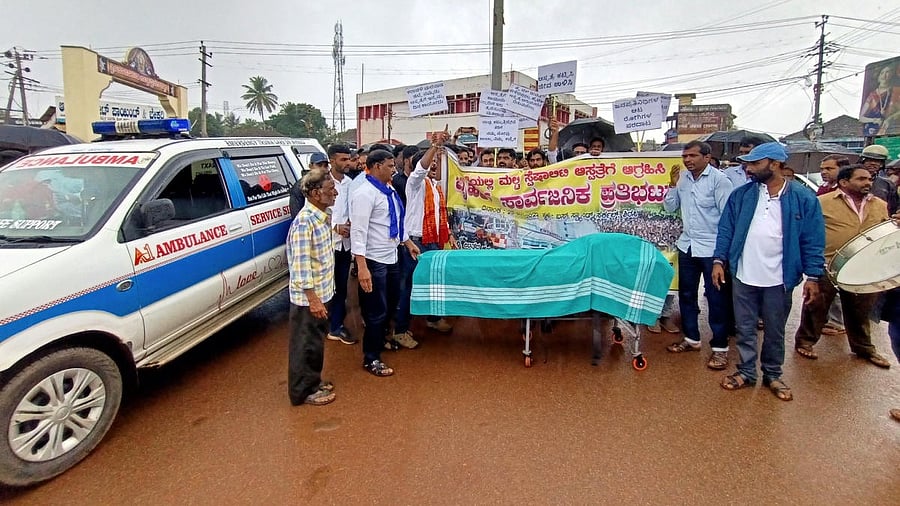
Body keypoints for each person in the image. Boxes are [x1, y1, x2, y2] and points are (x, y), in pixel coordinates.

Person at [712, 142, 825, 401]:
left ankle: (773, 374)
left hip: (779, 278)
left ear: (774, 164)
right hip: (743, 274)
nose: (748, 168)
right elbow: (726, 230)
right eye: (748, 163)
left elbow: (813, 239)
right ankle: (746, 371)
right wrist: (719, 260)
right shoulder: (742, 195)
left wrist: (813, 276)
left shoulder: (802, 197)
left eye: (755, 163)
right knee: (744, 326)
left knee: (774, 329)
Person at [793, 165, 892, 368]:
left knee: (861, 310)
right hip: (828, 264)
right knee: (817, 305)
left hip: (866, 267)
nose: (868, 183)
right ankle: (806, 341)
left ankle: (864, 348)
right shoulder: (823, 202)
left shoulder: (880, 204)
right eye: (861, 179)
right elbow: (808, 231)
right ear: (844, 182)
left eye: (869, 179)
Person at [663, 141, 734, 370]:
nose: (688, 160)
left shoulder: (720, 181)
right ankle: (692, 338)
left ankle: (720, 348)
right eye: (685, 156)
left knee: (717, 300)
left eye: (693, 155)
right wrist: (672, 185)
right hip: (688, 246)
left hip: (712, 250)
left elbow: (727, 218)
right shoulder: (683, 179)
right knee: (686, 295)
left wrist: (720, 257)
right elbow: (669, 207)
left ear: (707, 157)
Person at [350, 149, 421, 377]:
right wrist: (362, 267)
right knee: (375, 311)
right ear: (377, 166)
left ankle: (380, 340)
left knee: (391, 304)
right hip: (373, 260)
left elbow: (395, 220)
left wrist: (407, 241)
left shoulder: (388, 189)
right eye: (390, 166)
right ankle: (371, 358)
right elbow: (358, 232)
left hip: (392, 256)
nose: (394, 169)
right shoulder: (364, 193)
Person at [395, 131, 457, 348]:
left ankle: (432, 319)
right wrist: (435, 145)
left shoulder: (435, 186)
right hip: (416, 242)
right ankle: (400, 330)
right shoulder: (415, 182)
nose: (434, 165)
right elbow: (421, 168)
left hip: (433, 242)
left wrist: (448, 233)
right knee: (408, 286)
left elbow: (441, 215)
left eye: (437, 162)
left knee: (433, 284)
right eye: (432, 161)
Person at [286, 169, 338, 406]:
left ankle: (313, 382)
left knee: (315, 342)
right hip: (310, 298)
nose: (335, 193)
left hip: (322, 292)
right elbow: (300, 265)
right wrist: (313, 299)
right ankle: (302, 392)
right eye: (330, 190)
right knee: (305, 345)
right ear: (316, 193)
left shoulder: (321, 217)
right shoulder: (305, 222)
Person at [322, 144, 359, 347]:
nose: (347, 163)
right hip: (326, 244)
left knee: (341, 287)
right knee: (324, 287)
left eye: (348, 159)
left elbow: (353, 209)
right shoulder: (321, 182)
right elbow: (315, 214)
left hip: (345, 244)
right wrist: (336, 228)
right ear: (332, 160)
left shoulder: (350, 183)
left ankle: (335, 327)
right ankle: (322, 324)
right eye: (343, 160)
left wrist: (350, 225)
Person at [815, 154, 851, 336]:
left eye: (829, 169)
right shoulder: (823, 190)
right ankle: (827, 319)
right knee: (823, 284)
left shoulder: (850, 193)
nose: (823, 172)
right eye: (822, 169)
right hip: (824, 245)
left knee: (838, 286)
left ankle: (838, 322)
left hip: (844, 248)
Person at [859, 144, 899, 215]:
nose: (873, 163)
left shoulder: (887, 184)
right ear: (863, 161)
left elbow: (894, 207)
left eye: (877, 161)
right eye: (869, 160)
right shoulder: (851, 180)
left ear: (881, 164)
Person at [289, 151, 330, 218]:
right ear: (310, 166)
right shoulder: (300, 187)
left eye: (325, 166)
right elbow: (296, 215)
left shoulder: (329, 183)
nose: (323, 169)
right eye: (319, 165)